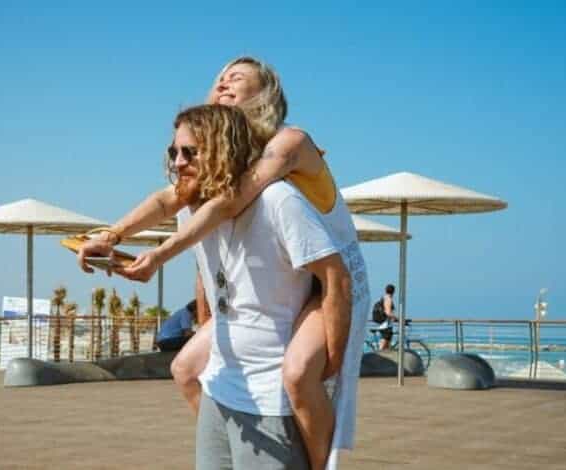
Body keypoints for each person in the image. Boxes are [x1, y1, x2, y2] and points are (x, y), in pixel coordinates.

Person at [77, 57, 369, 470]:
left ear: (265, 96)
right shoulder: (222, 169)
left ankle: (320, 463)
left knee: (301, 373)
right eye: (219, 79)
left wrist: (159, 255)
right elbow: (174, 205)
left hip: (331, 281)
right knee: (186, 368)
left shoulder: (287, 145)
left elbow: (231, 201)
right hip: (286, 277)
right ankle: (230, 438)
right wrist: (111, 235)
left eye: (238, 78)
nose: (224, 83)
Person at [175, 103, 354, 469]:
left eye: (189, 152)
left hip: (270, 400)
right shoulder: (191, 211)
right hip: (218, 392)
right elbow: (207, 276)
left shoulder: (278, 201)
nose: (178, 162)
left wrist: (332, 363)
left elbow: (337, 276)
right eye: (173, 152)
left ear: (221, 147)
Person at [373, 284, 397, 350]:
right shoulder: (388, 299)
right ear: (394, 291)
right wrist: (396, 318)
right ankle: (378, 358)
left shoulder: (384, 297)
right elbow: (388, 312)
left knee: (387, 346)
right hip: (386, 325)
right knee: (383, 346)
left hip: (385, 324)